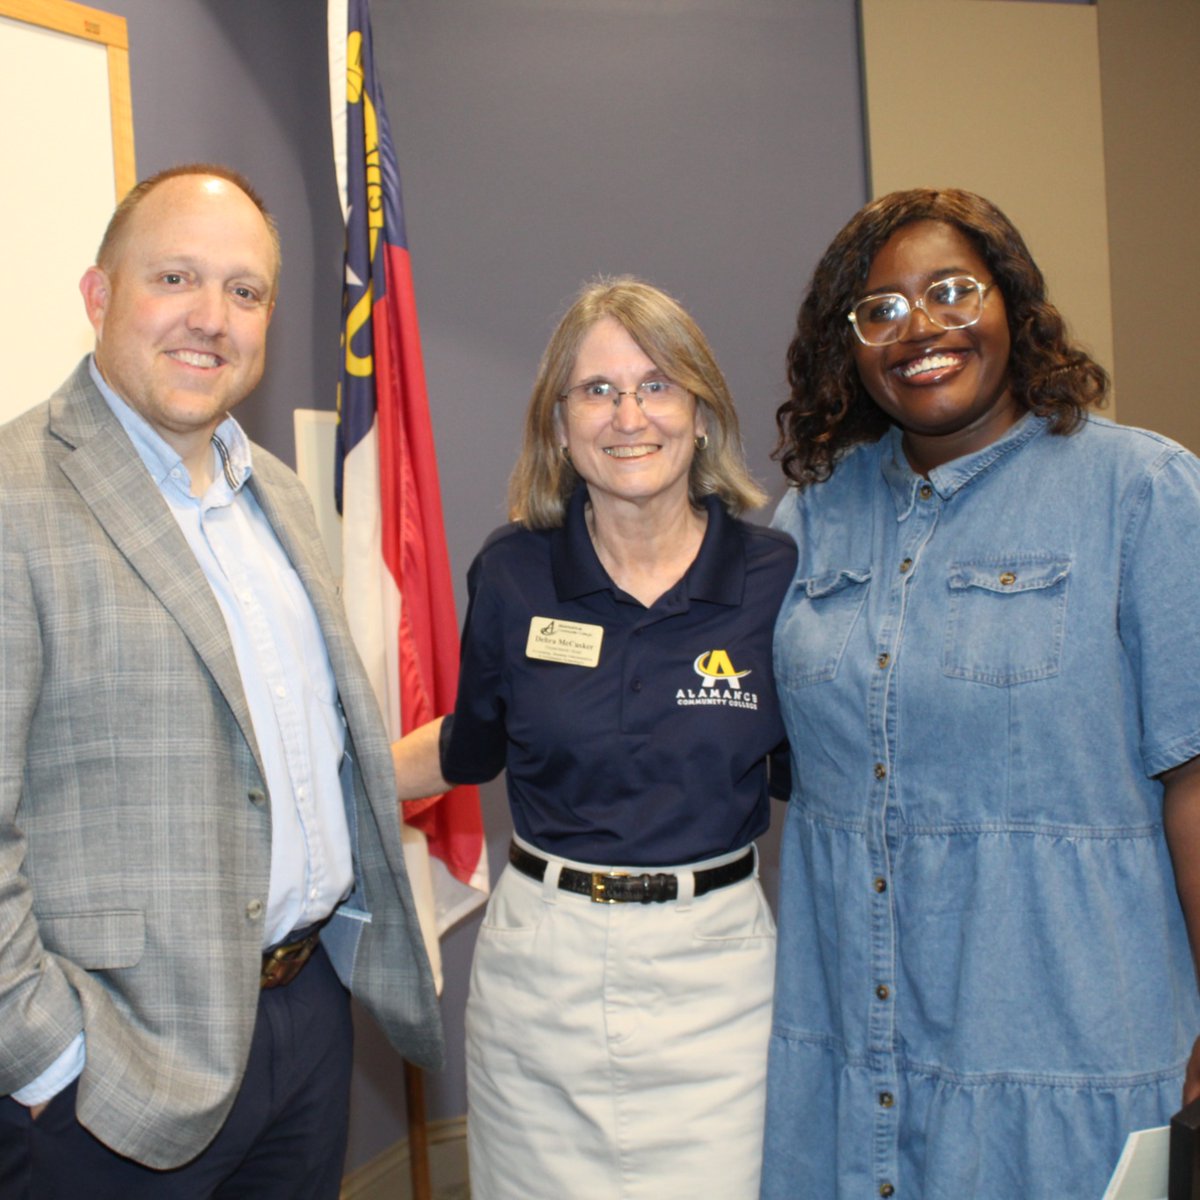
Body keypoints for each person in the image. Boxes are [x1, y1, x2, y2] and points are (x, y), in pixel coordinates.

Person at [0, 164, 441, 1198]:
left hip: (303, 1025)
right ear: (99, 296)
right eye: (176, 279)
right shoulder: (15, 500)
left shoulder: (279, 499)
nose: (211, 317)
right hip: (111, 1074)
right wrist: (46, 1052)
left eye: (244, 292)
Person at [761, 187, 1200, 1200]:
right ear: (851, 345)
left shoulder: (1139, 492)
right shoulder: (811, 518)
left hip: (1069, 1045)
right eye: (880, 310)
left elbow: (1193, 781)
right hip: (856, 1053)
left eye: (953, 290)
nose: (920, 328)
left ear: (1013, 302)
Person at [392, 277, 796, 1198]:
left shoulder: (776, 578)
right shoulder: (513, 571)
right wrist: (329, 783)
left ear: (700, 412)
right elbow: (472, 745)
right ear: (561, 426)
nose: (629, 416)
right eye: (598, 391)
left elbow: (824, 773)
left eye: (656, 385)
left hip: (717, 985)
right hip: (544, 974)